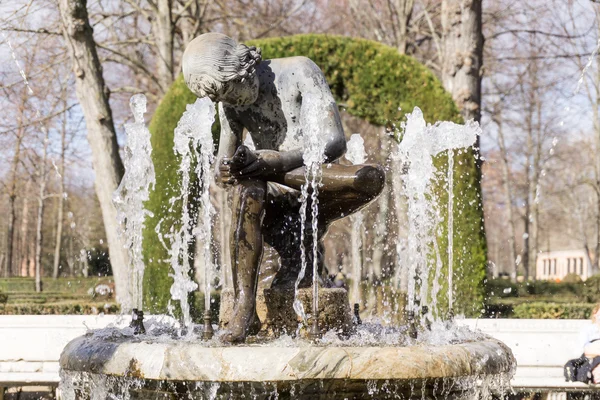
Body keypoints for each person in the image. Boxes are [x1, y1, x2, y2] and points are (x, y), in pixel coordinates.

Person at [182, 33, 385, 343]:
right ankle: (244, 305)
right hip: (269, 191)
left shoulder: (300, 71)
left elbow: (333, 143)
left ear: (245, 68)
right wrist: (227, 170)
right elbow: (225, 170)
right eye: (218, 98)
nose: (226, 102)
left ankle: (270, 177)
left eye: (228, 92)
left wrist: (275, 164)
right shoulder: (229, 104)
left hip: (314, 180)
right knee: (247, 189)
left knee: (368, 178)